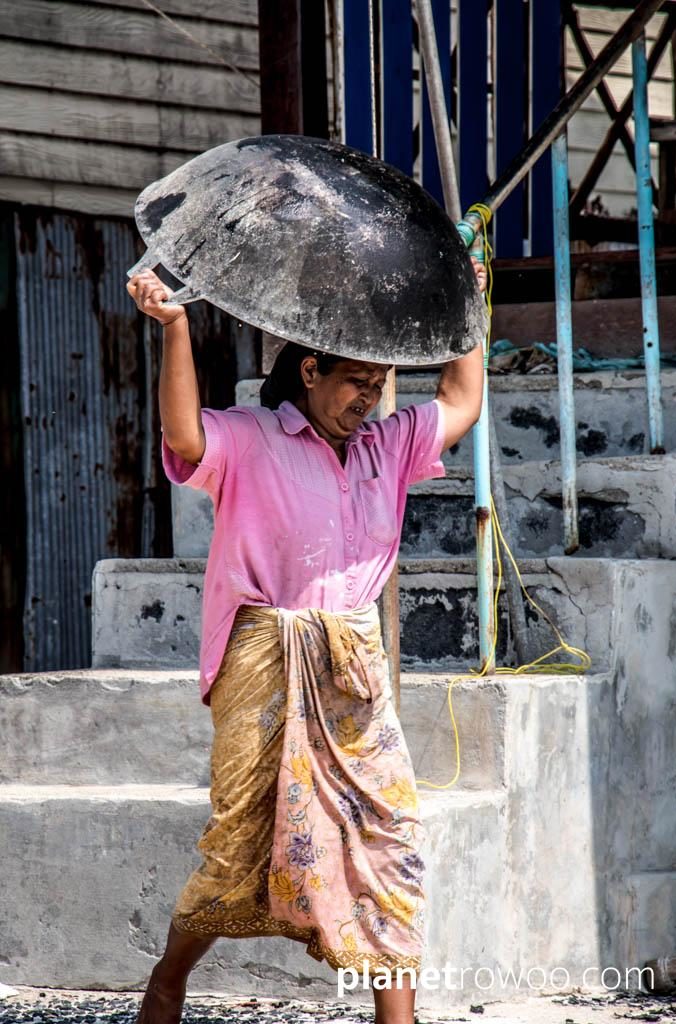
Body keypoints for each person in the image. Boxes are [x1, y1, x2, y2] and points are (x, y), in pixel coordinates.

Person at [126, 259, 486, 1024]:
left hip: (352, 666)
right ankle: (168, 979)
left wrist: (467, 303)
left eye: (381, 383)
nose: (370, 397)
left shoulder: (388, 448)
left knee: (390, 835)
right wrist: (176, 327)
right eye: (356, 380)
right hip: (261, 656)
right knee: (238, 841)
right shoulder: (252, 438)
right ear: (311, 369)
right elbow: (185, 436)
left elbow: (460, 397)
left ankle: (399, 1018)